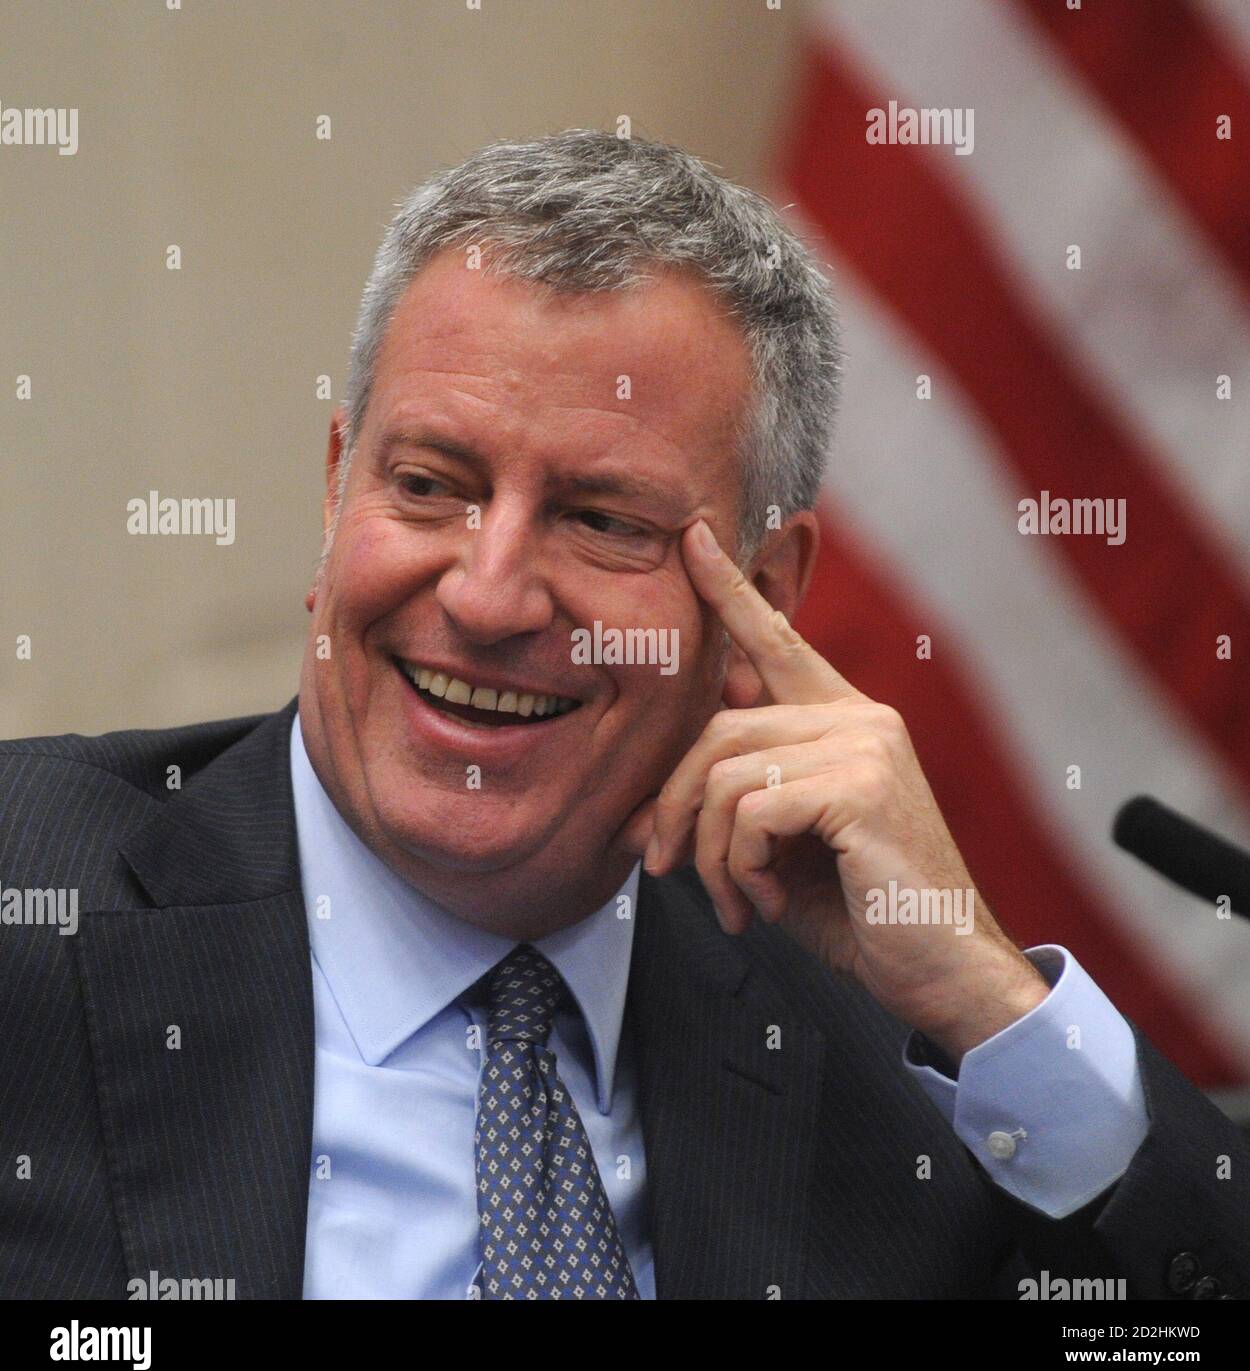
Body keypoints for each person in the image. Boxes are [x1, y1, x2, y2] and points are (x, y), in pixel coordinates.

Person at [1, 130, 1245, 1300]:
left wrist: (990, 1004)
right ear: (338, 490)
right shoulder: (33, 892)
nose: (486, 596)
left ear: (761, 599)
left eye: (602, 519)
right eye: (429, 486)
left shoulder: (893, 1059)